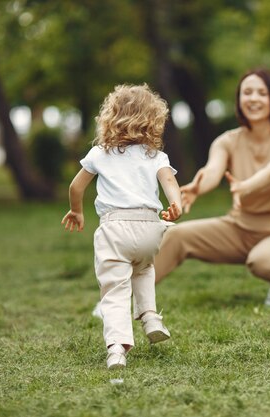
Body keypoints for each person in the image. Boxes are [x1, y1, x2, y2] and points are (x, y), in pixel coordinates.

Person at [154, 68, 270, 306]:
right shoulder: (227, 141)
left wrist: (245, 187)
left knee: (264, 261)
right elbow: (213, 171)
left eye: (262, 93)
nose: (253, 98)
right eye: (247, 92)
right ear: (239, 100)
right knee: (176, 235)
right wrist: (199, 188)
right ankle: (119, 300)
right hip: (239, 229)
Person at [61, 83, 182, 370]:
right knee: (144, 268)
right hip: (151, 227)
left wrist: (76, 211)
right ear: (153, 121)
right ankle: (150, 316)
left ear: (110, 118)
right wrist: (176, 204)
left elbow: (76, 187)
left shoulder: (99, 154)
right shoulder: (155, 156)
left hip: (115, 228)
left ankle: (117, 347)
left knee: (114, 288)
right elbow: (169, 182)